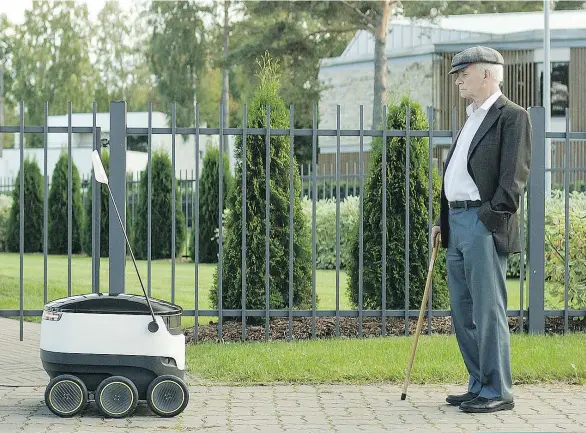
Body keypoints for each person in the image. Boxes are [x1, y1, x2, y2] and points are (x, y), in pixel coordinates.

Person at [431, 46, 531, 413]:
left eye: (464, 73)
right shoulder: (471, 116)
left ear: (488, 74)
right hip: (457, 224)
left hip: (481, 224)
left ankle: (498, 390)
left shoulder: (512, 117)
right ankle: (479, 383)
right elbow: (457, 176)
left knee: (488, 310)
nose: (457, 79)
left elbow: (513, 181)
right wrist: (444, 221)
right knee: (462, 309)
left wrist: (487, 222)